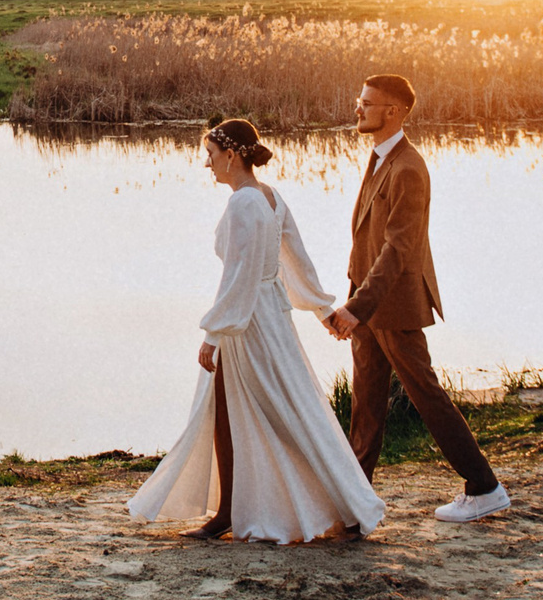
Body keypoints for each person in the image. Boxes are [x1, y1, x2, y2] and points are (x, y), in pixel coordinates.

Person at [128, 119, 388, 544]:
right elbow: (295, 261)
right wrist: (322, 310)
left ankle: (229, 513)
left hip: (247, 320)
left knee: (253, 411)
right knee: (284, 407)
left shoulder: (243, 203)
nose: (207, 165)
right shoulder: (271, 198)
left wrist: (214, 333)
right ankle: (246, 508)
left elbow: (241, 274)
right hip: (271, 315)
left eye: (210, 156)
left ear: (232, 156)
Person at [324, 73, 511, 523]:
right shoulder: (379, 158)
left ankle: (484, 487)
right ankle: (355, 500)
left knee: (426, 395)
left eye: (367, 103)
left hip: (392, 303)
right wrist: (353, 294)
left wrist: (357, 307)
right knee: (365, 403)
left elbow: (399, 249)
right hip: (368, 299)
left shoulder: (409, 167)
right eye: (359, 99)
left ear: (394, 112)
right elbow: (367, 240)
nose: (358, 108)